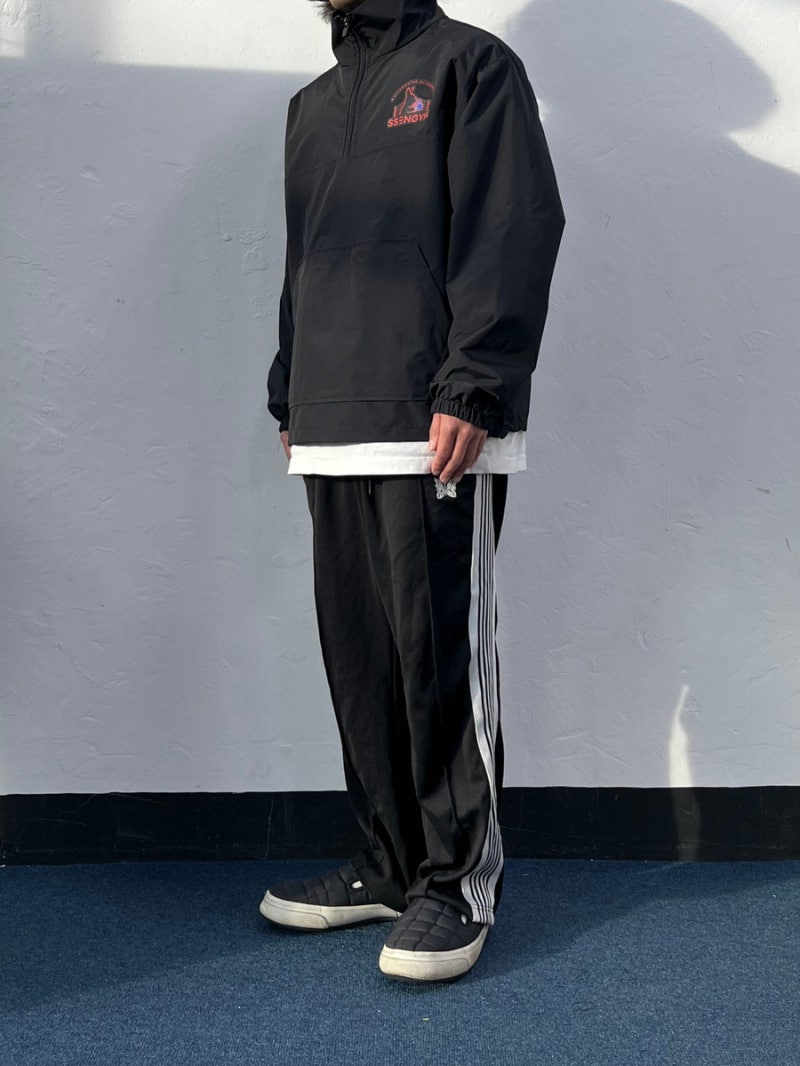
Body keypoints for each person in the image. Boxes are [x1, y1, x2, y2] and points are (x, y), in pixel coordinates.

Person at [260, 0, 565, 982]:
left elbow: (512, 226)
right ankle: (391, 865)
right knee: (359, 663)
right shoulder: (311, 105)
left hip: (432, 416)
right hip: (331, 419)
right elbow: (304, 259)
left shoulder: (472, 68)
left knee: (438, 660)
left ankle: (457, 882)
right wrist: (289, 388)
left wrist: (474, 383)